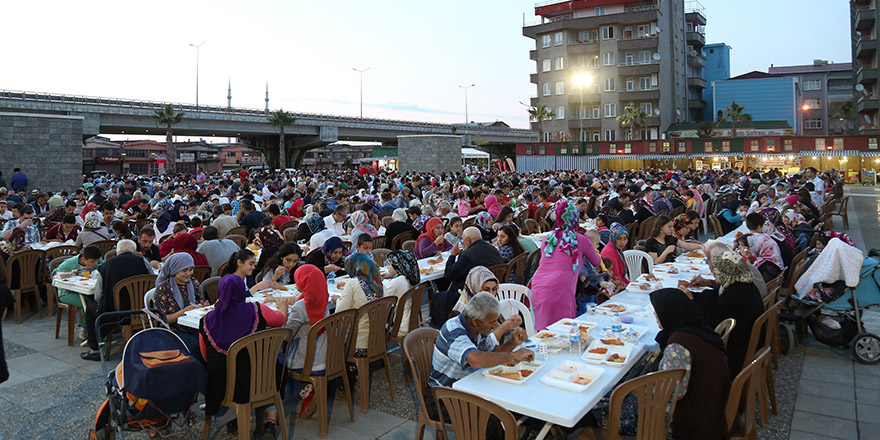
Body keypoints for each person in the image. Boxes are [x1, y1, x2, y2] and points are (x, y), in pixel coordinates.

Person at [595, 288, 730, 439]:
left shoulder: (678, 346)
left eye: (657, 310)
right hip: (710, 406)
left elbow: (670, 393)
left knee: (603, 408)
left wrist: (634, 390)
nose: (654, 314)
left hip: (688, 419)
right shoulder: (696, 329)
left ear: (670, 312)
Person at [199, 274, 288, 435]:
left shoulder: (207, 319)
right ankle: (270, 419)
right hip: (259, 381)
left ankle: (232, 419)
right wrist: (283, 307)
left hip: (222, 384)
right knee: (275, 366)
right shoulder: (256, 310)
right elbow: (280, 321)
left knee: (221, 367)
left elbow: (205, 355)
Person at [686, 240, 764, 376]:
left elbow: (710, 321)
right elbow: (716, 297)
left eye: (716, 272)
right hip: (746, 337)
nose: (715, 274)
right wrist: (692, 296)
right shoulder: (741, 283)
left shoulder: (735, 295)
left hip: (736, 351)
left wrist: (691, 301)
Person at [429, 292, 532, 388]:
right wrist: (512, 355)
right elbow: (476, 360)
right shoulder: (454, 331)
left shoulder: (478, 327)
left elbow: (491, 353)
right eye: (492, 322)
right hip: (449, 391)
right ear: (475, 321)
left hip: (473, 382)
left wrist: (512, 343)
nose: (495, 326)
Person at [529, 201, 601, 331]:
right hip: (561, 287)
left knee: (543, 331)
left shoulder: (547, 239)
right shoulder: (581, 240)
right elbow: (596, 262)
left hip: (539, 285)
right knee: (565, 330)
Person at [81, 240, 154, 361]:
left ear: (117, 251)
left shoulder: (106, 265)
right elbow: (152, 282)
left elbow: (98, 296)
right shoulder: (143, 262)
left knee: (90, 308)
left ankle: (94, 349)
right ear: (133, 251)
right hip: (142, 310)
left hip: (115, 312)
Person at [282, 264, 330, 418]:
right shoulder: (324, 299)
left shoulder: (300, 307)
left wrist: (283, 314)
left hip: (307, 362)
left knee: (275, 358)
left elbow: (286, 335)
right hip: (326, 357)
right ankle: (307, 388)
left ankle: (302, 390)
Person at [433, 227, 503, 326]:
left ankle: (444, 329)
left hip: (471, 297)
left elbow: (449, 274)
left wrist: (452, 255)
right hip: (493, 292)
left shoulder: (468, 255)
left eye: (463, 240)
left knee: (437, 298)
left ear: (468, 240)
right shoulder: (493, 249)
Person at [153, 253, 206, 358]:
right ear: (174, 270)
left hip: (194, 326)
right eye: (184, 270)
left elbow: (199, 302)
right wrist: (182, 313)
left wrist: (203, 306)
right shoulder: (164, 288)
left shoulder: (194, 283)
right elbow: (161, 320)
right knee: (197, 347)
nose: (188, 273)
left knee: (212, 342)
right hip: (173, 330)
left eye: (191, 269)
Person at [336, 252, 384, 357]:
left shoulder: (353, 283)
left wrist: (338, 300)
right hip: (380, 340)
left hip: (360, 344)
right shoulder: (377, 281)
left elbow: (340, 312)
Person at [53, 245, 103, 341]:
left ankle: (96, 327)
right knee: (87, 303)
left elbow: (105, 267)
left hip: (87, 290)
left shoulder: (98, 261)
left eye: (97, 261)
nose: (96, 264)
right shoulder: (68, 264)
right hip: (67, 292)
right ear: (84, 259)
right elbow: (54, 275)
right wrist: (67, 275)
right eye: (93, 262)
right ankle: (83, 327)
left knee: (99, 301)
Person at [738, 213, 785, 282]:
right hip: (777, 265)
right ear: (760, 226)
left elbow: (750, 260)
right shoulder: (765, 236)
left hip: (771, 270)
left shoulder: (752, 239)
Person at [383, 250, 420, 338]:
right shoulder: (412, 277)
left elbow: (381, 297)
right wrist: (393, 275)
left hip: (401, 326)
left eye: (389, 264)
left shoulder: (398, 282)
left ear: (397, 265)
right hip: (412, 321)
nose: (387, 268)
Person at [600, 223, 630, 287]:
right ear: (613, 238)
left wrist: (632, 284)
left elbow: (622, 276)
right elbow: (616, 277)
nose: (622, 242)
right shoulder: (609, 252)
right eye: (619, 239)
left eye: (625, 239)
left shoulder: (617, 250)